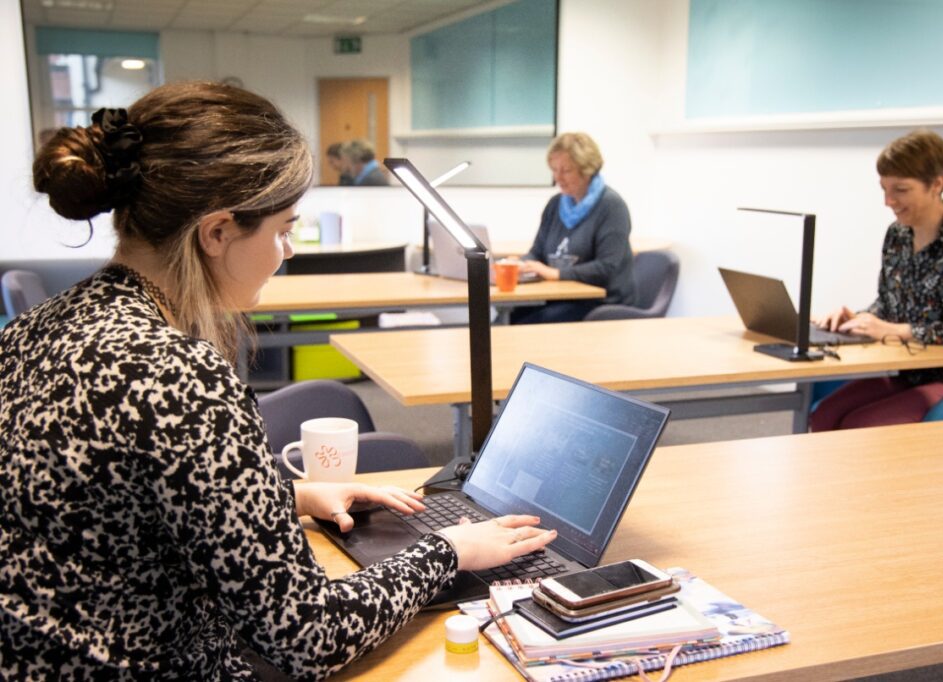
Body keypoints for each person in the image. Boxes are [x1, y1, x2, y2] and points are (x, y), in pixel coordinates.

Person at [0, 81, 555, 679]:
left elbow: (99, 510)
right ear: (216, 233)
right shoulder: (179, 375)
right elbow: (305, 637)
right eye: (282, 229)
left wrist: (279, 498)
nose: (286, 251)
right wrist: (448, 552)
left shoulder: (30, 329)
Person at [811, 129, 943, 431]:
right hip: (906, 370)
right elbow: (889, 301)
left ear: (936, 184)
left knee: (864, 425)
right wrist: (862, 317)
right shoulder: (897, 235)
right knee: (824, 414)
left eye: (901, 190)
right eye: (884, 189)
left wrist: (897, 330)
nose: (888, 201)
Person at [511, 132, 636, 324]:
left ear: (586, 170)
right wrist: (522, 265)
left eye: (566, 170)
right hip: (562, 297)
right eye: (554, 170)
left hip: (600, 303)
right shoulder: (555, 205)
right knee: (514, 315)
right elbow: (537, 252)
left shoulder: (611, 206)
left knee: (527, 324)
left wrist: (556, 274)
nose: (558, 177)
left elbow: (607, 267)